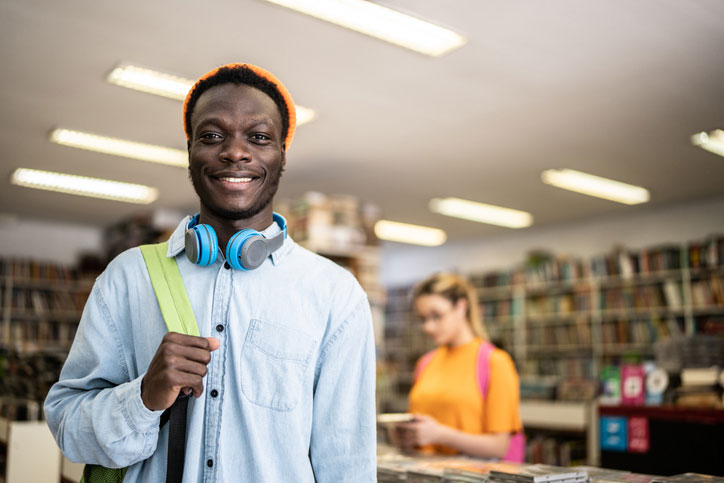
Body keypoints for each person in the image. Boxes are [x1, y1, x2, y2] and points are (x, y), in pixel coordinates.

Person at [44, 63, 377, 482]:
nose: (235, 152)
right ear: (190, 151)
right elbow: (68, 428)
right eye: (212, 136)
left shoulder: (334, 294)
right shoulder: (128, 278)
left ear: (281, 157)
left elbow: (346, 463)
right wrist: (143, 397)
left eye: (258, 137)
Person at [393, 272, 523, 459]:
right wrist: (407, 437)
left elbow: (500, 447)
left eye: (436, 316)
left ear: (461, 307)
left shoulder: (495, 362)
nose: (428, 327)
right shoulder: (425, 363)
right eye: (422, 319)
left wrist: (440, 435)